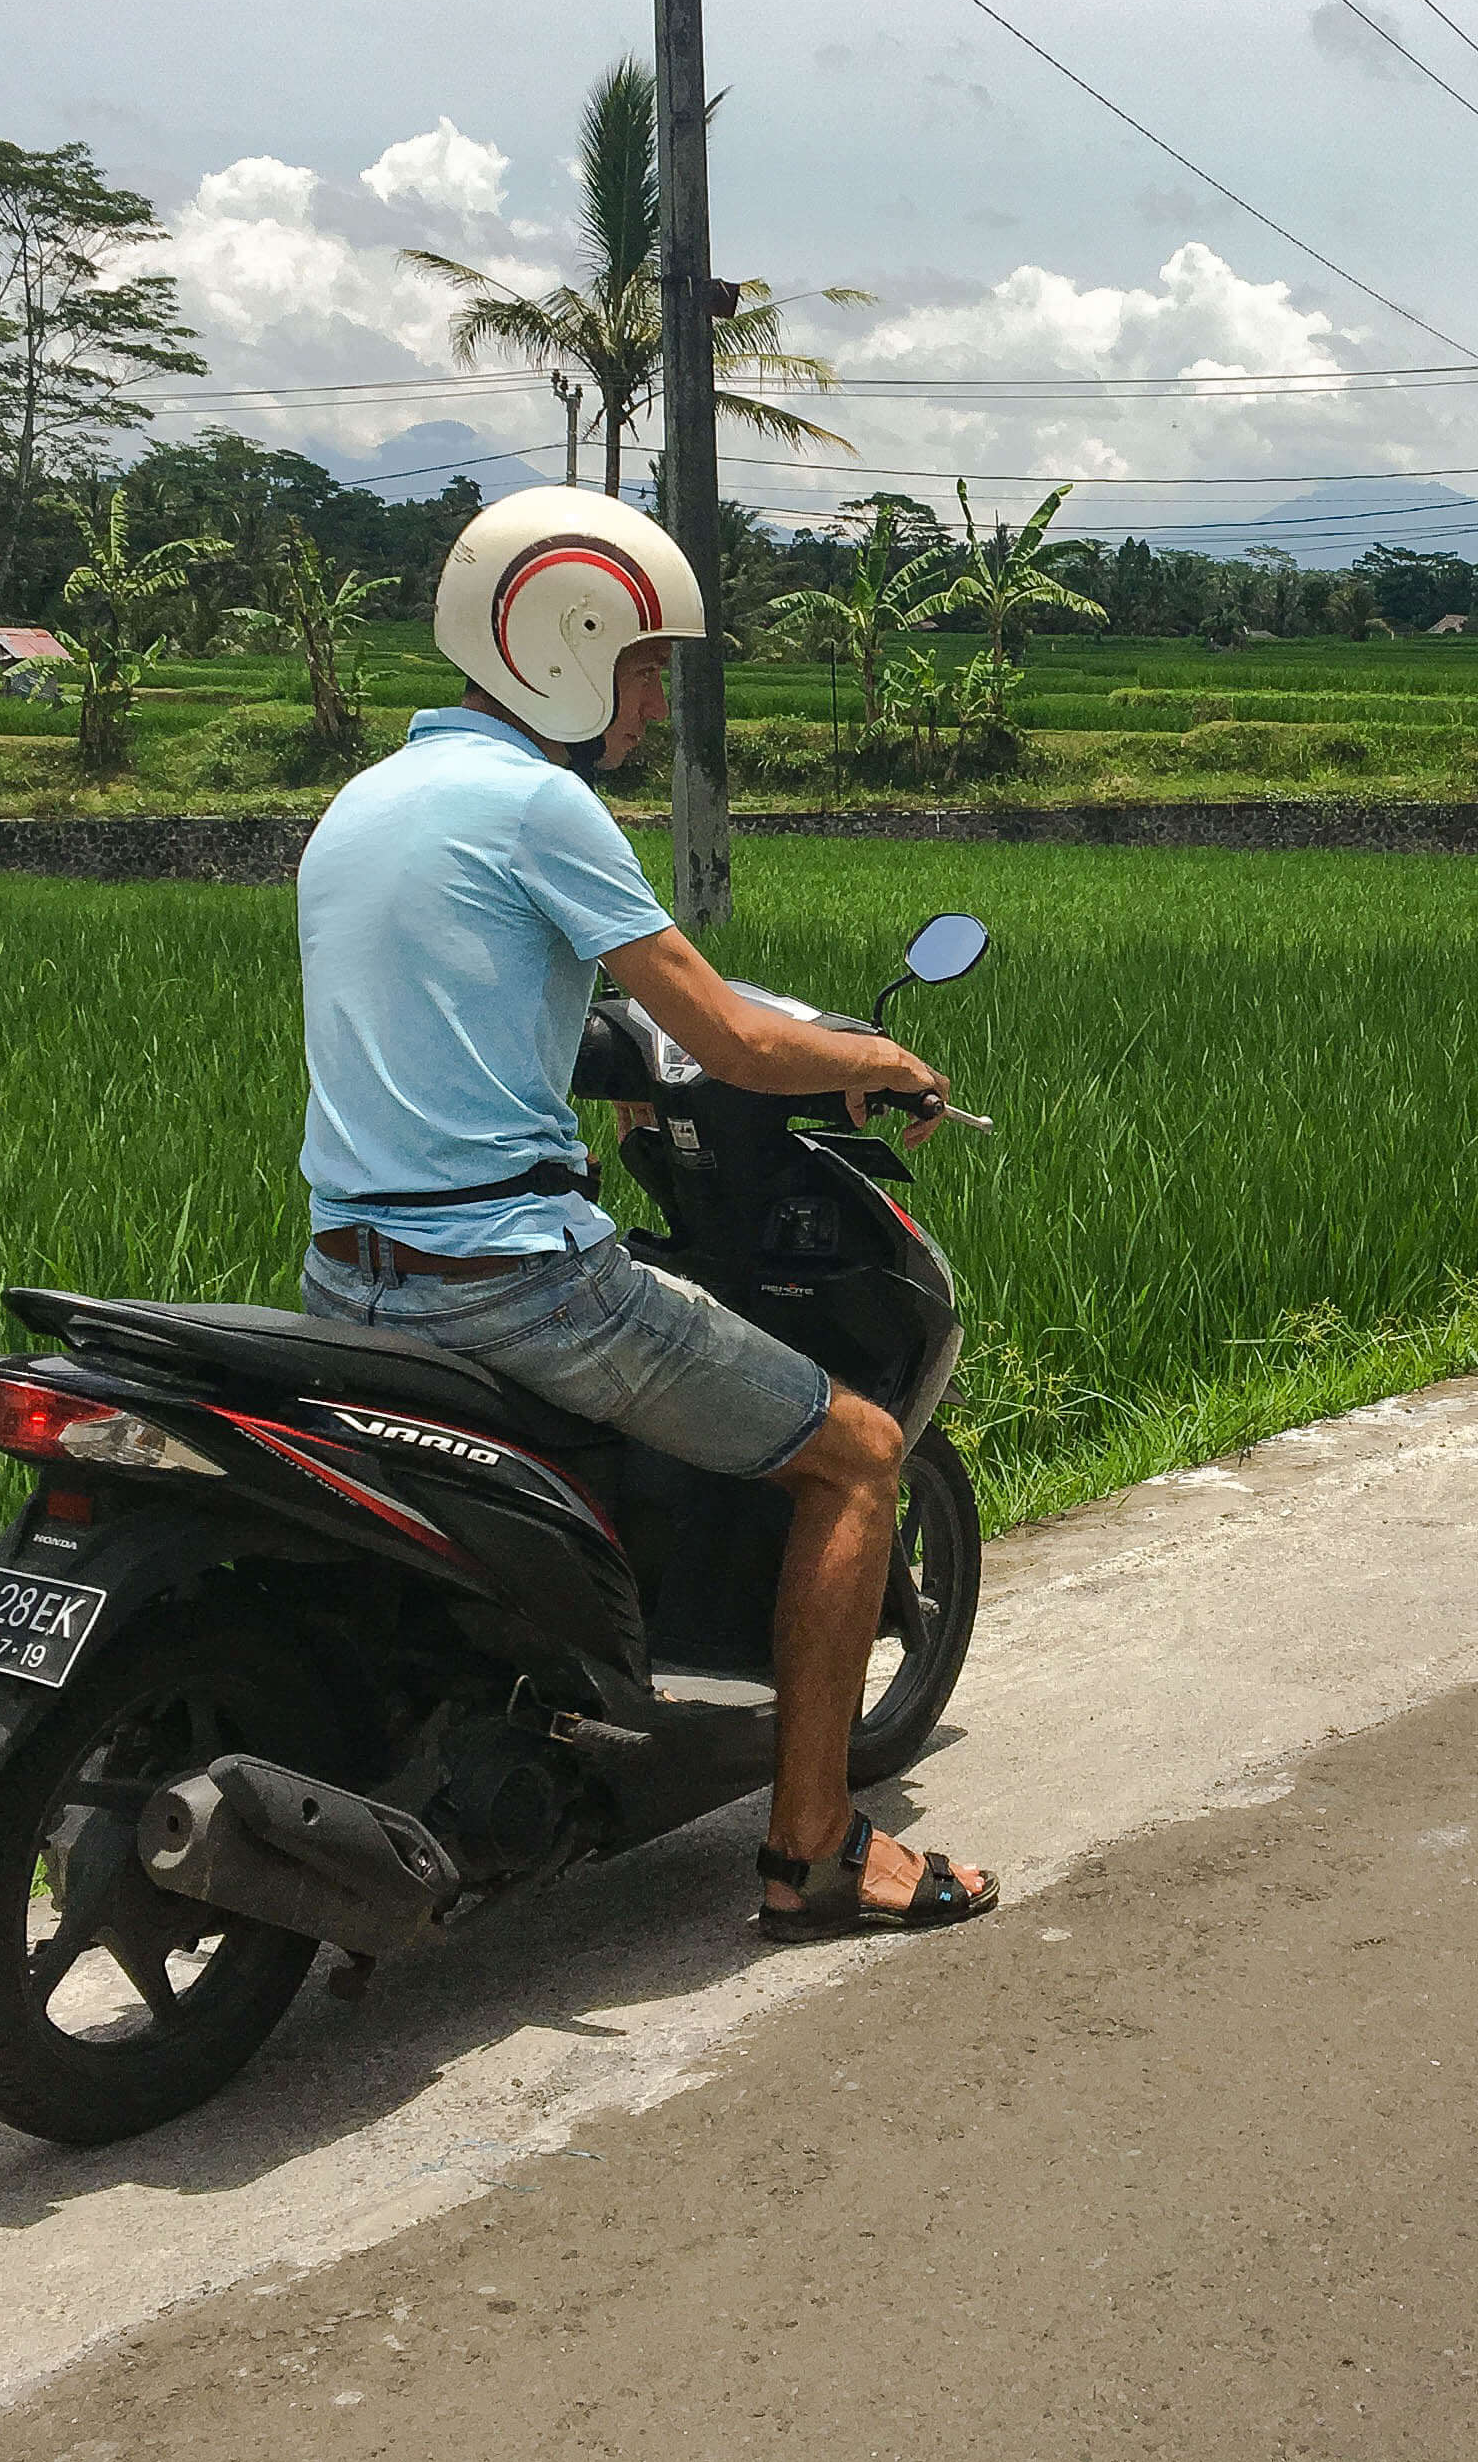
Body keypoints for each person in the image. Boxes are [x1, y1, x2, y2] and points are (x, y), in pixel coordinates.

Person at [289, 493, 996, 1940]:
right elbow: (725, 1032)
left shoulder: (368, 801)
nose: (657, 694)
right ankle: (811, 1851)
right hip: (512, 1283)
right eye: (646, 662)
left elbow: (474, 1004)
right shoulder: (542, 804)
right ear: (565, 641)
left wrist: (600, 1078)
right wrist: (882, 1060)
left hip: (349, 1276)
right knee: (857, 1456)